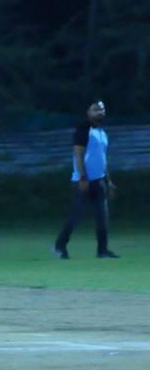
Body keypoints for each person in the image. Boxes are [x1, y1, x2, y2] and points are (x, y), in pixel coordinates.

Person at [52, 100, 119, 259]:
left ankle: (102, 250)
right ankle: (59, 246)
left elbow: (102, 160)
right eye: (96, 109)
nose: (99, 112)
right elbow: (78, 155)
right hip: (82, 181)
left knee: (102, 216)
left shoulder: (102, 133)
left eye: (102, 109)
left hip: (99, 181)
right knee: (78, 214)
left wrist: (108, 182)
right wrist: (82, 177)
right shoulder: (83, 130)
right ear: (88, 112)